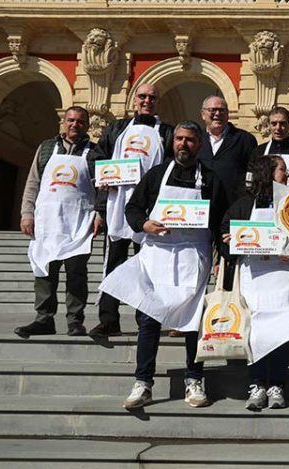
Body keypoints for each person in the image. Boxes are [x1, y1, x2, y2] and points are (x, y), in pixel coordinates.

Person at [98, 121, 227, 410]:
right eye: (179, 139)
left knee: (193, 322)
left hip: (194, 256)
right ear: (173, 143)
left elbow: (221, 222)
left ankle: (194, 380)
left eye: (190, 140)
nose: (184, 144)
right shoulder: (157, 175)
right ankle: (143, 382)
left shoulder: (210, 180)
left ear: (200, 145)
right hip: (157, 254)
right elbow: (133, 208)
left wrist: (222, 257)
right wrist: (144, 224)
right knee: (148, 319)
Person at [220, 155, 289, 410]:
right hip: (255, 279)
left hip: (285, 278)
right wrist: (229, 242)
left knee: (281, 333)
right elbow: (225, 233)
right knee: (256, 333)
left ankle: (277, 384)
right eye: (282, 170)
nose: (287, 175)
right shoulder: (244, 205)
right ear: (267, 172)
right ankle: (256, 384)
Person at [89, 83, 174, 338]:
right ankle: (108, 319)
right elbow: (96, 155)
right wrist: (101, 176)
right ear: (134, 100)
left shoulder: (167, 132)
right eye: (143, 96)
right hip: (117, 206)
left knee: (148, 267)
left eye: (152, 97)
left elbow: (172, 166)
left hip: (149, 209)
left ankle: (146, 320)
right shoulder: (117, 128)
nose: (147, 101)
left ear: (157, 101)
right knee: (112, 264)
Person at [14, 106, 102, 338]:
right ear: (64, 122)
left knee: (76, 272)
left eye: (80, 121)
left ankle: (75, 320)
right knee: (44, 269)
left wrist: (100, 215)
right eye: (71, 120)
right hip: (47, 220)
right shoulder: (45, 149)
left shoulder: (95, 152)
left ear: (87, 125)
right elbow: (32, 182)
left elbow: (103, 188)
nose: (75, 125)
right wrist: (26, 213)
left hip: (79, 221)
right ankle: (44, 319)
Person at [198, 95, 258, 204]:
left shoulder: (245, 139)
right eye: (213, 110)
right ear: (203, 114)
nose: (217, 114)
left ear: (227, 114)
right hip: (201, 206)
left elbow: (254, 173)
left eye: (222, 110)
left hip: (233, 205)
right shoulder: (196, 139)